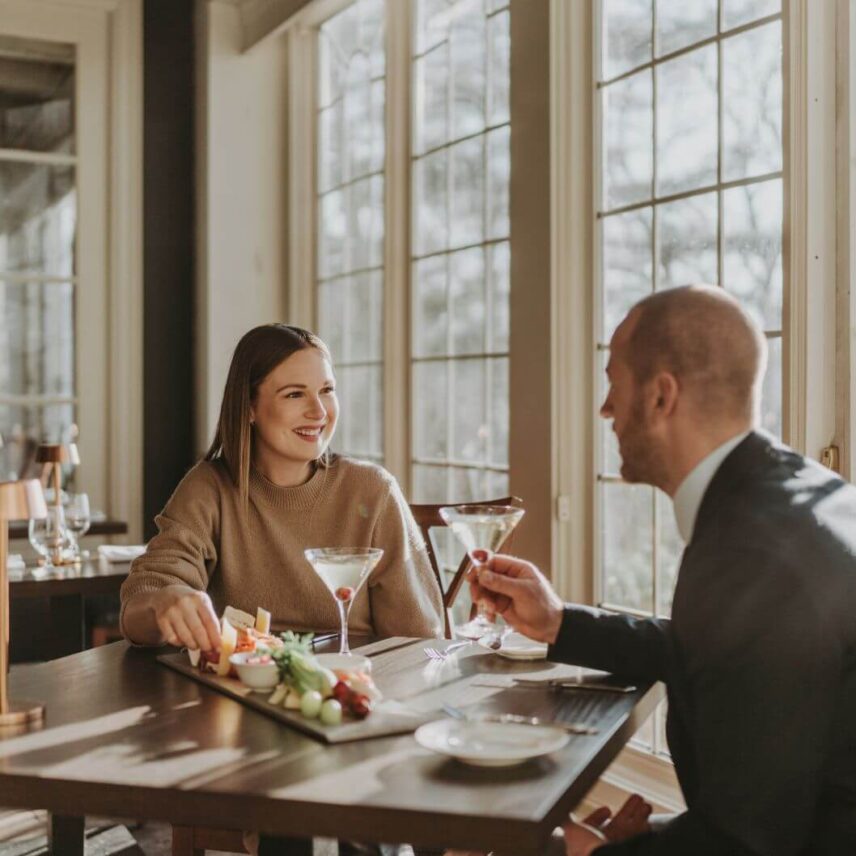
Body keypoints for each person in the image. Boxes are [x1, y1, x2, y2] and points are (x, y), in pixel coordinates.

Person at [471, 286, 856, 855]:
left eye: (614, 382)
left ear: (659, 397)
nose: (606, 409)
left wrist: (586, 854)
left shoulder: (750, 552)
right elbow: (725, 648)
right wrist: (558, 622)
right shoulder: (798, 491)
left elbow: (740, 845)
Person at [120, 323, 443, 650]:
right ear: (248, 407)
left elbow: (418, 642)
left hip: (354, 688)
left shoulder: (373, 491)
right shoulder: (209, 489)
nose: (318, 411)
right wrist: (163, 601)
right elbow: (139, 604)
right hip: (239, 692)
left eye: (327, 390)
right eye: (294, 394)